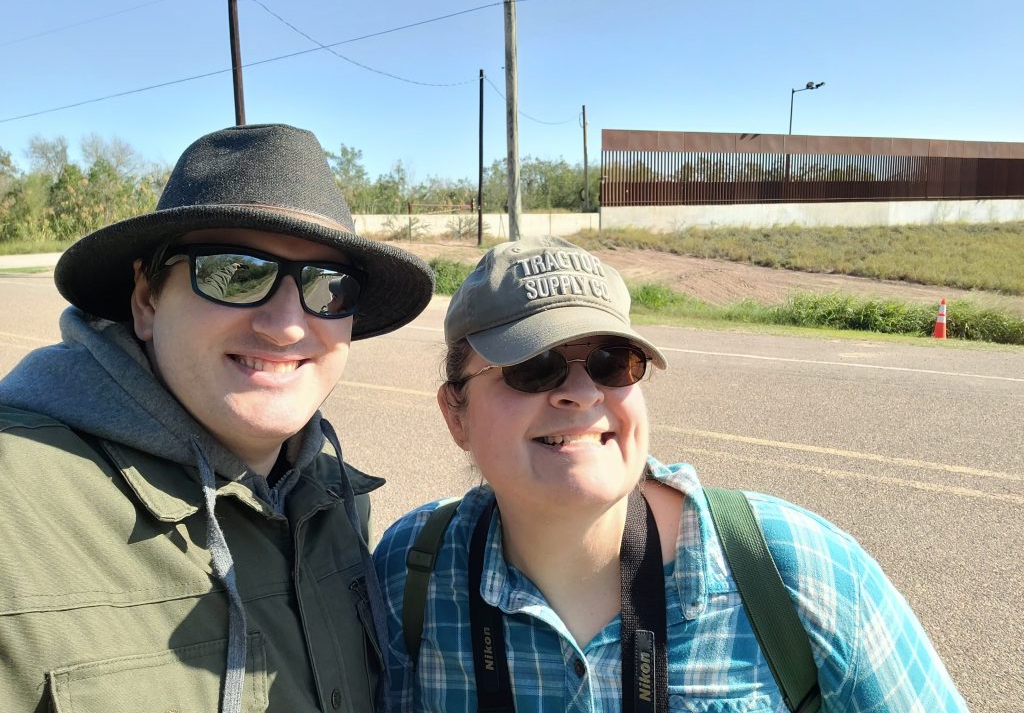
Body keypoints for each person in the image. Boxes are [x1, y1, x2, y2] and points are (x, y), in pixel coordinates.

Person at [372, 235, 967, 712]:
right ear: (456, 414)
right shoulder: (412, 572)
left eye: (613, 362)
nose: (583, 393)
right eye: (533, 365)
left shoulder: (796, 571)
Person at [0, 123, 435, 712]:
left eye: (329, 286)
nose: (287, 326)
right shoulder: (16, 504)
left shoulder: (330, 497)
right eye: (235, 273)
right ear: (147, 298)